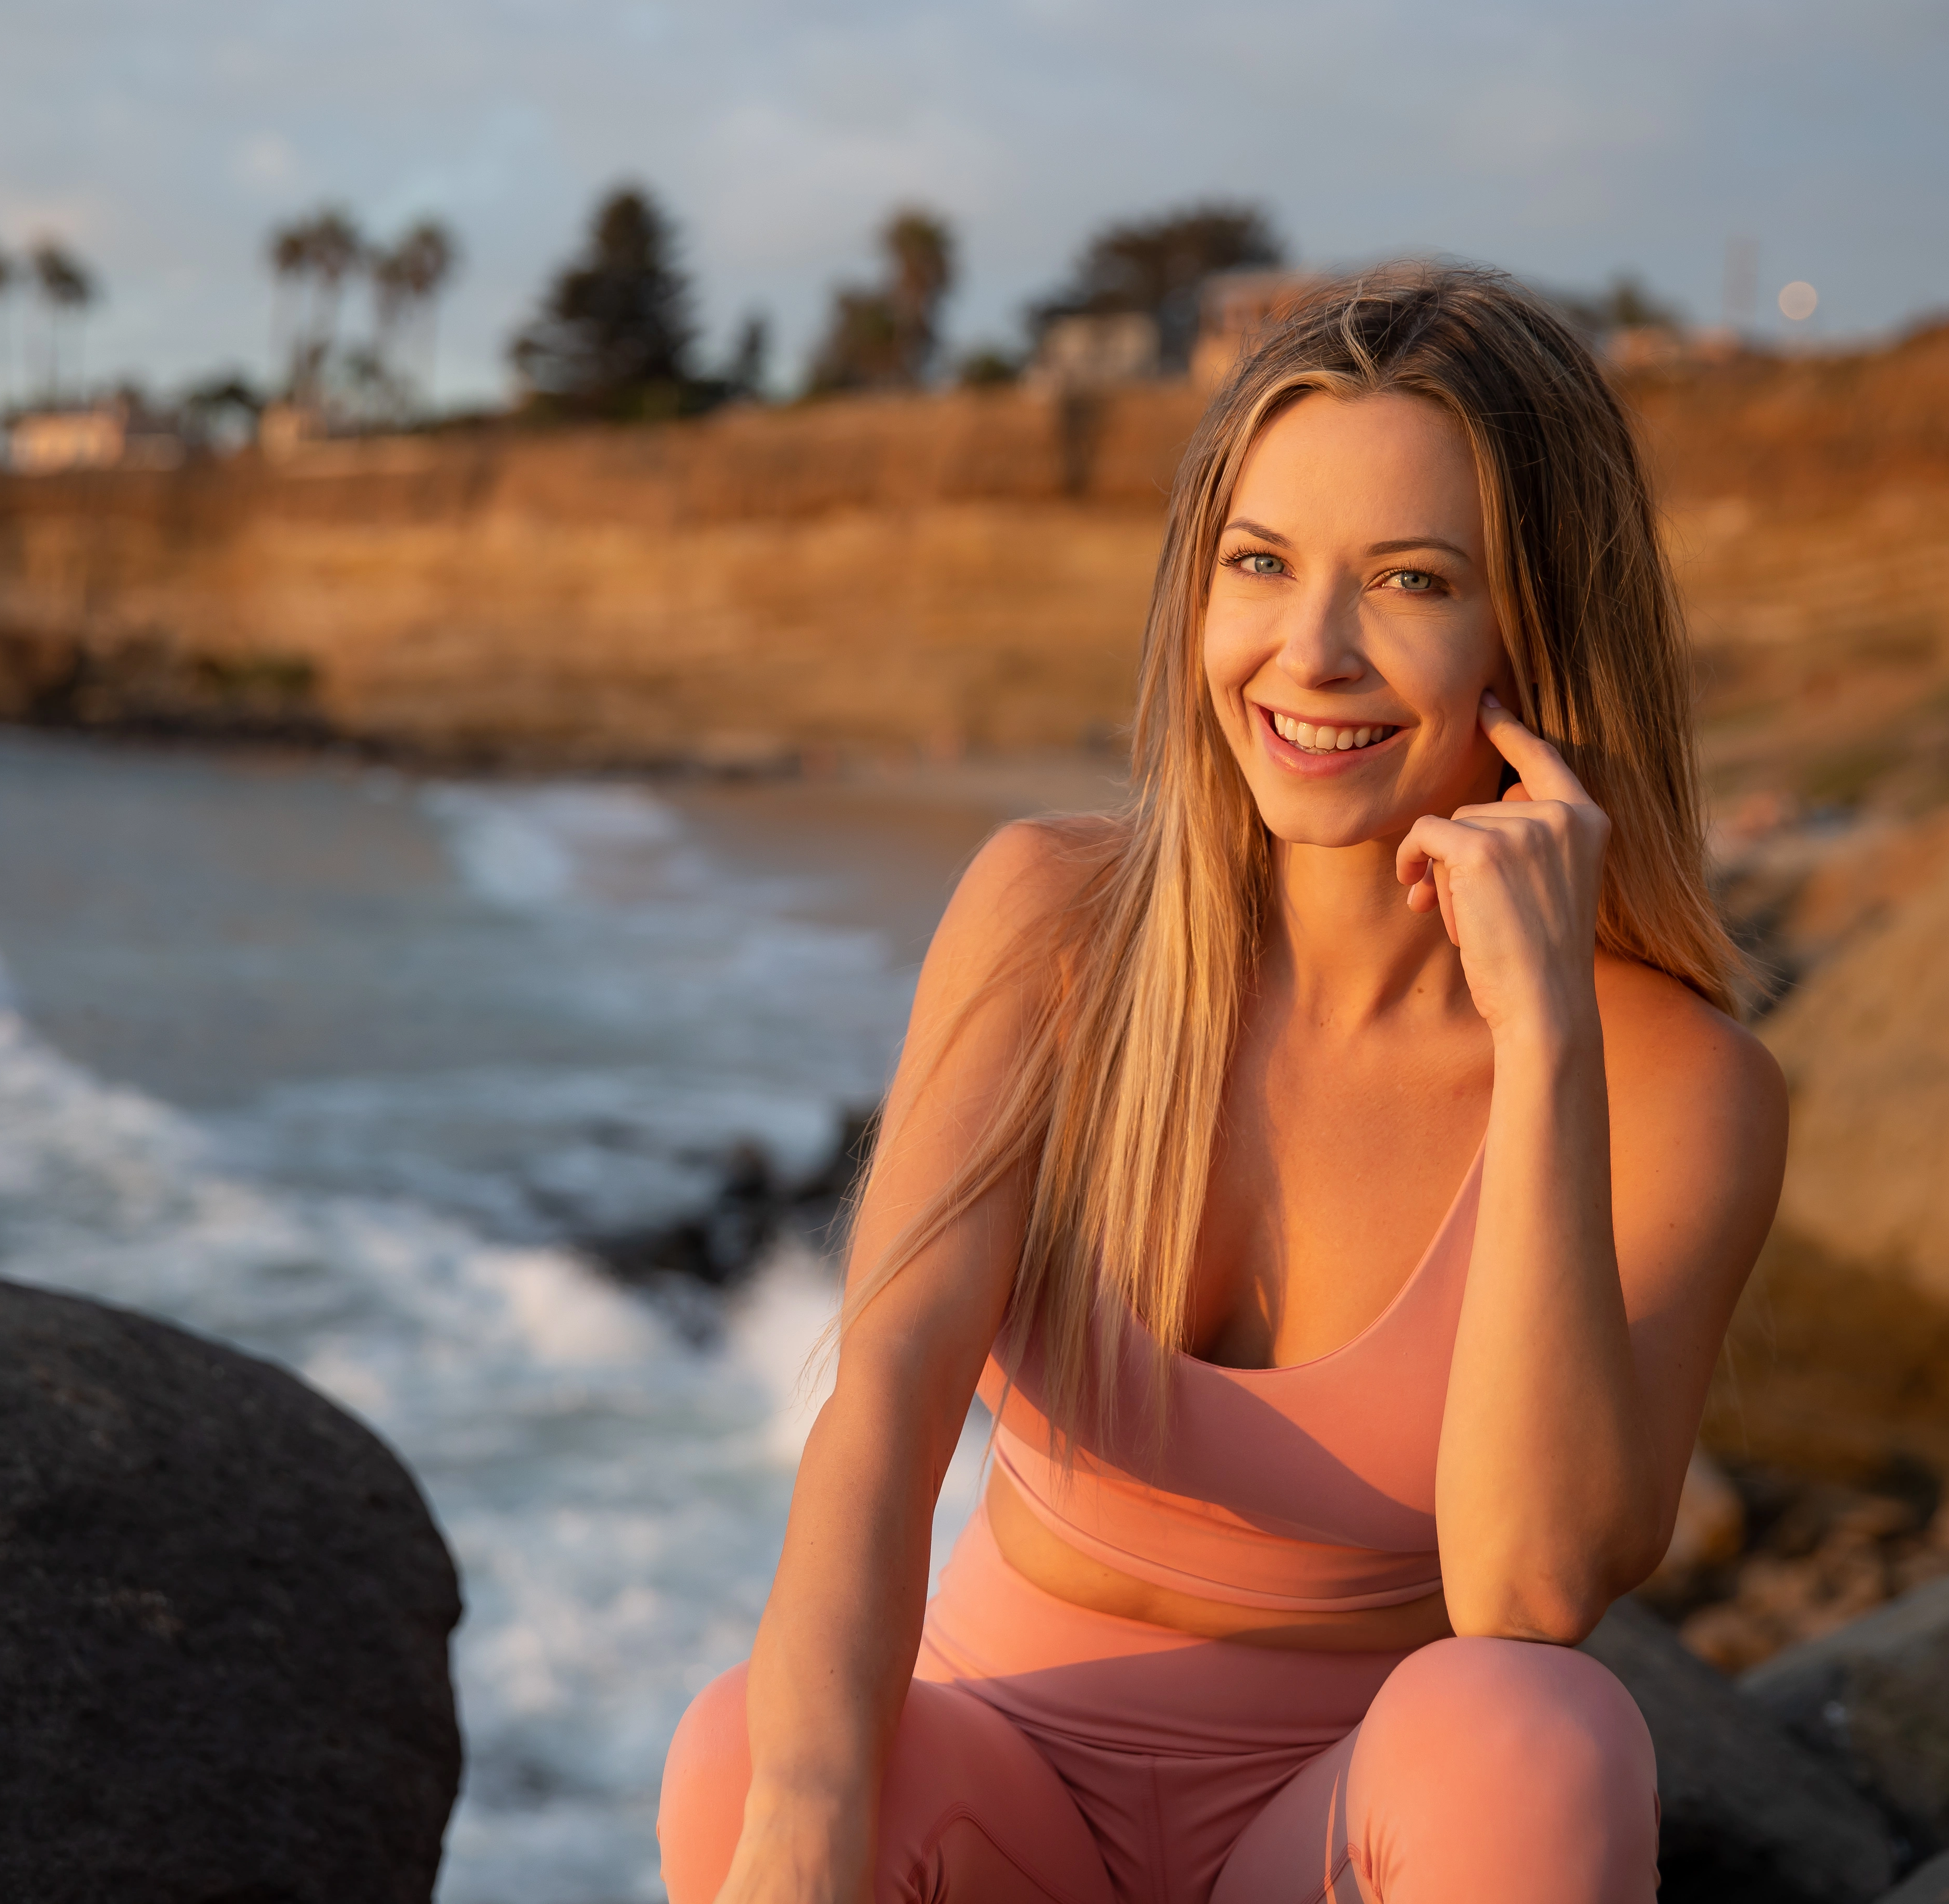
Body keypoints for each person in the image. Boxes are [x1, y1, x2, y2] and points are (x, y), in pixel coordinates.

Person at [658, 264, 1788, 1904]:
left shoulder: (1682, 1085)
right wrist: (806, 1819)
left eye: (1410, 581)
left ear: (1537, 634)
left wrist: (1547, 1037)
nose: (1309, 654)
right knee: (740, 1750)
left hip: (1336, 1846)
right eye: (1260, 565)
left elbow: (1531, 1590)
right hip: (999, 1812)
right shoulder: (1054, 919)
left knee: (1535, 1727)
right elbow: (889, 1393)